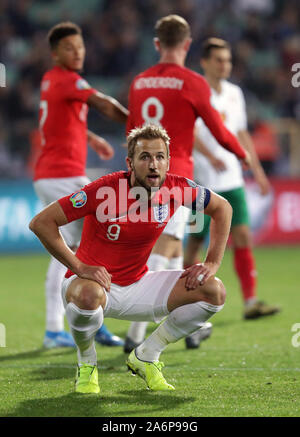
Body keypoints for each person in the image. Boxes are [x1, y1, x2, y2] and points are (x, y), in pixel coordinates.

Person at [29, 124, 232, 394]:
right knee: (88, 295)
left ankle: (147, 355)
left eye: (160, 157)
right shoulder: (105, 190)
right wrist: (79, 266)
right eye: (145, 157)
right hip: (93, 287)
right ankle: (87, 363)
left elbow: (222, 208)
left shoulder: (176, 187)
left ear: (168, 162)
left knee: (213, 290)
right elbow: (42, 222)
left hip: (138, 286)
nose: (153, 164)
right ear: (130, 162)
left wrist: (212, 263)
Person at [124, 14, 250, 352]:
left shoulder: (139, 81)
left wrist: (132, 174)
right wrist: (242, 153)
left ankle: (191, 326)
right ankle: (136, 335)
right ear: (187, 44)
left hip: (142, 172)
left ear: (156, 44)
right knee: (166, 247)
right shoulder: (192, 82)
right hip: (175, 176)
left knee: (176, 249)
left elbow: (132, 131)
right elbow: (218, 130)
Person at [33, 22, 129, 348]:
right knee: (97, 238)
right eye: (70, 47)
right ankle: (91, 320)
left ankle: (57, 328)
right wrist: (137, 122)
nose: (78, 52)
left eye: (81, 47)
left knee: (66, 249)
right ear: (55, 53)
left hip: (53, 173)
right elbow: (102, 102)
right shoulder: (69, 80)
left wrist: (91, 137)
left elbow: (59, 121)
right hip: (62, 174)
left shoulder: (51, 81)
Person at [184, 38, 280, 333]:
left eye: (227, 60)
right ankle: (185, 301)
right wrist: (212, 156)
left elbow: (240, 132)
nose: (225, 65)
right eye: (219, 60)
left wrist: (258, 170)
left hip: (233, 181)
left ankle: (251, 302)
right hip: (201, 183)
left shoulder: (235, 93)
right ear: (205, 62)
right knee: (196, 242)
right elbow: (189, 132)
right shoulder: (195, 89)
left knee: (242, 238)